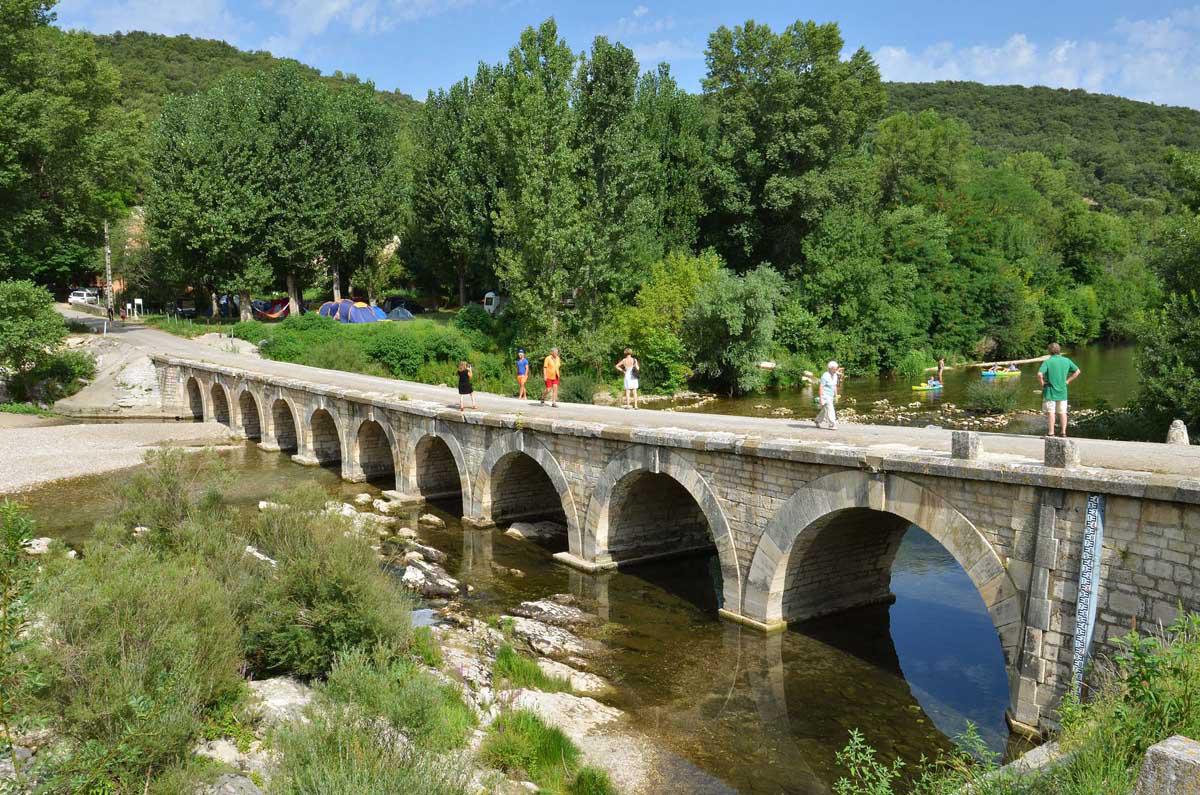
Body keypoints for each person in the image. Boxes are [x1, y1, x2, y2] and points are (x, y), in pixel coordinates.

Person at [1037, 342, 1081, 437]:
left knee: (1051, 412)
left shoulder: (1047, 362)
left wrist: (1042, 384)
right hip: (1063, 391)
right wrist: (1068, 381)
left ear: (1049, 351)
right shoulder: (1066, 360)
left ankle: (1051, 433)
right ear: (1059, 350)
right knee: (1062, 412)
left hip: (1050, 391)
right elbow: (1077, 371)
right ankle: (1063, 432)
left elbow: (1039, 374)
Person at [816, 360, 841, 430]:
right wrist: (821, 398)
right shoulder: (825, 375)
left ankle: (817, 420)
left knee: (824, 410)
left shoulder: (835, 375)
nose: (836, 370)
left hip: (831, 396)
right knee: (830, 409)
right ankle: (832, 424)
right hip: (825, 395)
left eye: (836, 368)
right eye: (835, 369)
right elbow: (821, 387)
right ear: (830, 368)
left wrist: (836, 396)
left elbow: (835, 386)